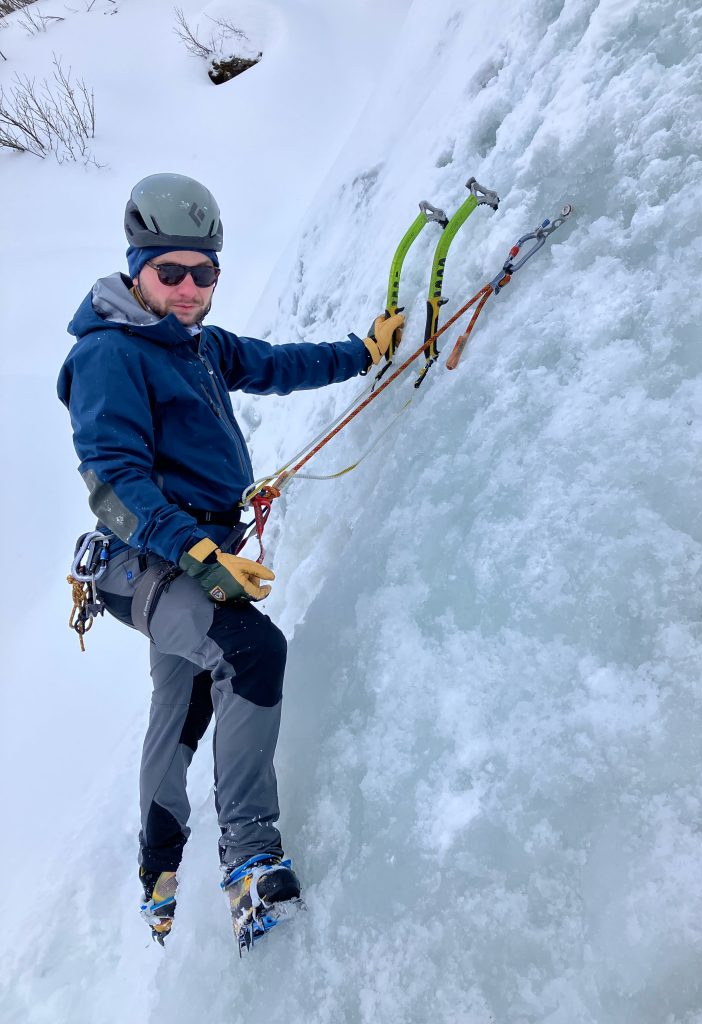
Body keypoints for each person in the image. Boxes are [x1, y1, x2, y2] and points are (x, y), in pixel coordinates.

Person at [57, 172, 404, 949]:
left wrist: (363, 352)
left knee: (182, 704)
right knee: (248, 651)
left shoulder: (199, 346)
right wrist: (197, 546)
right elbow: (114, 480)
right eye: (170, 272)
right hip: (141, 560)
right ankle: (250, 860)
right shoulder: (110, 354)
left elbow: (275, 364)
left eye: (203, 272)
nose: (188, 288)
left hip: (190, 555)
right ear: (136, 269)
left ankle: (157, 875)